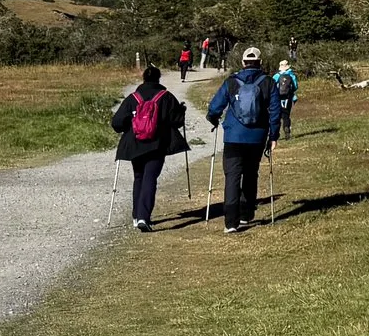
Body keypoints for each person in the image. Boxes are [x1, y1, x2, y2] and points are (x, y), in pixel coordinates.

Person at [206, 45, 280, 232]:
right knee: (250, 173)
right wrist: (274, 135)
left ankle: (231, 222)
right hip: (257, 136)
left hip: (233, 136)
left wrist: (213, 118)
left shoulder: (231, 82)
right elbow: (275, 111)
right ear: (260, 63)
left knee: (232, 176)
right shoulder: (269, 82)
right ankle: (246, 215)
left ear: (243, 63)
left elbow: (216, 107)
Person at [110, 57, 189, 231]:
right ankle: (143, 217)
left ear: (143, 78)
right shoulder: (166, 96)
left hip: (135, 144)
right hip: (157, 144)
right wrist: (181, 110)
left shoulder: (133, 98)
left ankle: (136, 215)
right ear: (159, 79)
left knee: (139, 177)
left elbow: (117, 123)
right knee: (150, 178)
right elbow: (177, 122)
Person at [272, 56, 301, 141]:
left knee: (277, 116)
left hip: (278, 98)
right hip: (288, 97)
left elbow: (272, 87)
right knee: (286, 116)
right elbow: (295, 87)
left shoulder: (276, 76)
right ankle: (287, 130)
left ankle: (275, 134)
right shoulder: (291, 75)